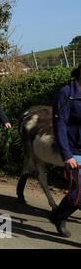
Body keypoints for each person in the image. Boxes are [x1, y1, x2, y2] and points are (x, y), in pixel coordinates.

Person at [49, 64, 81, 238]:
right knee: (79, 193)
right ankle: (59, 216)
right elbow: (59, 125)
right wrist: (66, 154)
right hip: (74, 149)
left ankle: (57, 215)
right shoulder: (67, 93)